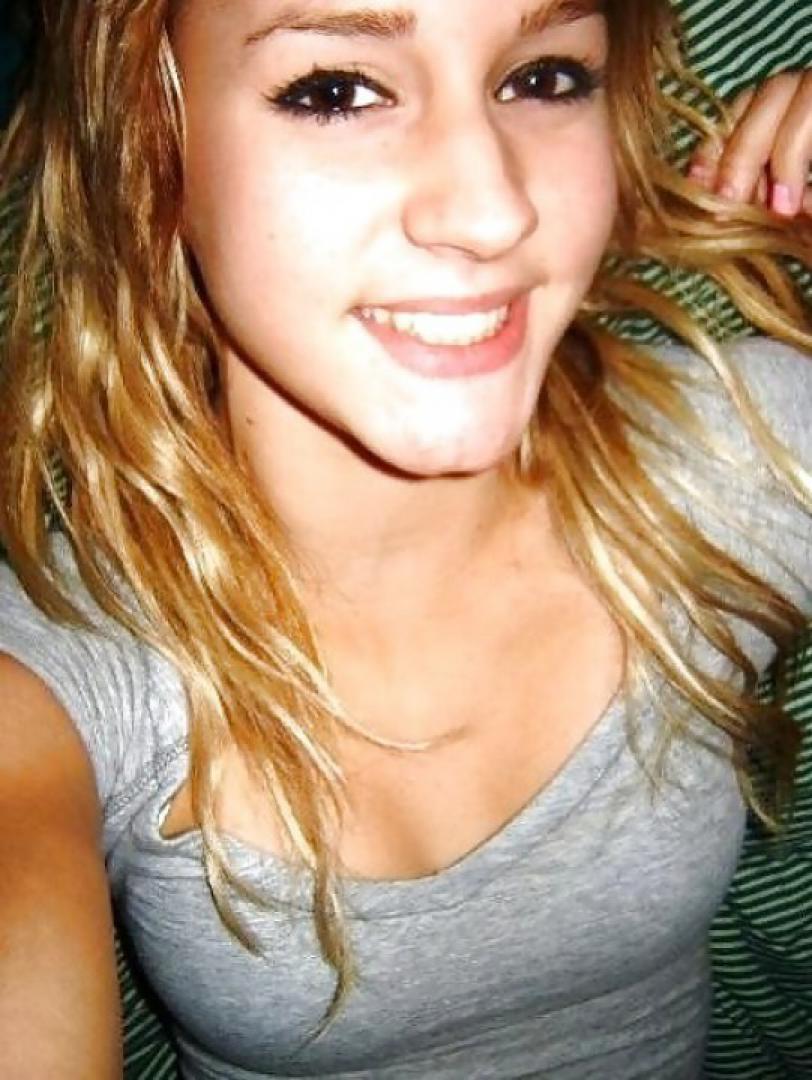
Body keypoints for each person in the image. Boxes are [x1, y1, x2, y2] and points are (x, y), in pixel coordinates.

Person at [0, 2, 810, 1078]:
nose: (490, 209)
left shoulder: (731, 461)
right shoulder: (68, 663)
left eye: (543, 78)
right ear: (151, 143)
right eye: (336, 91)